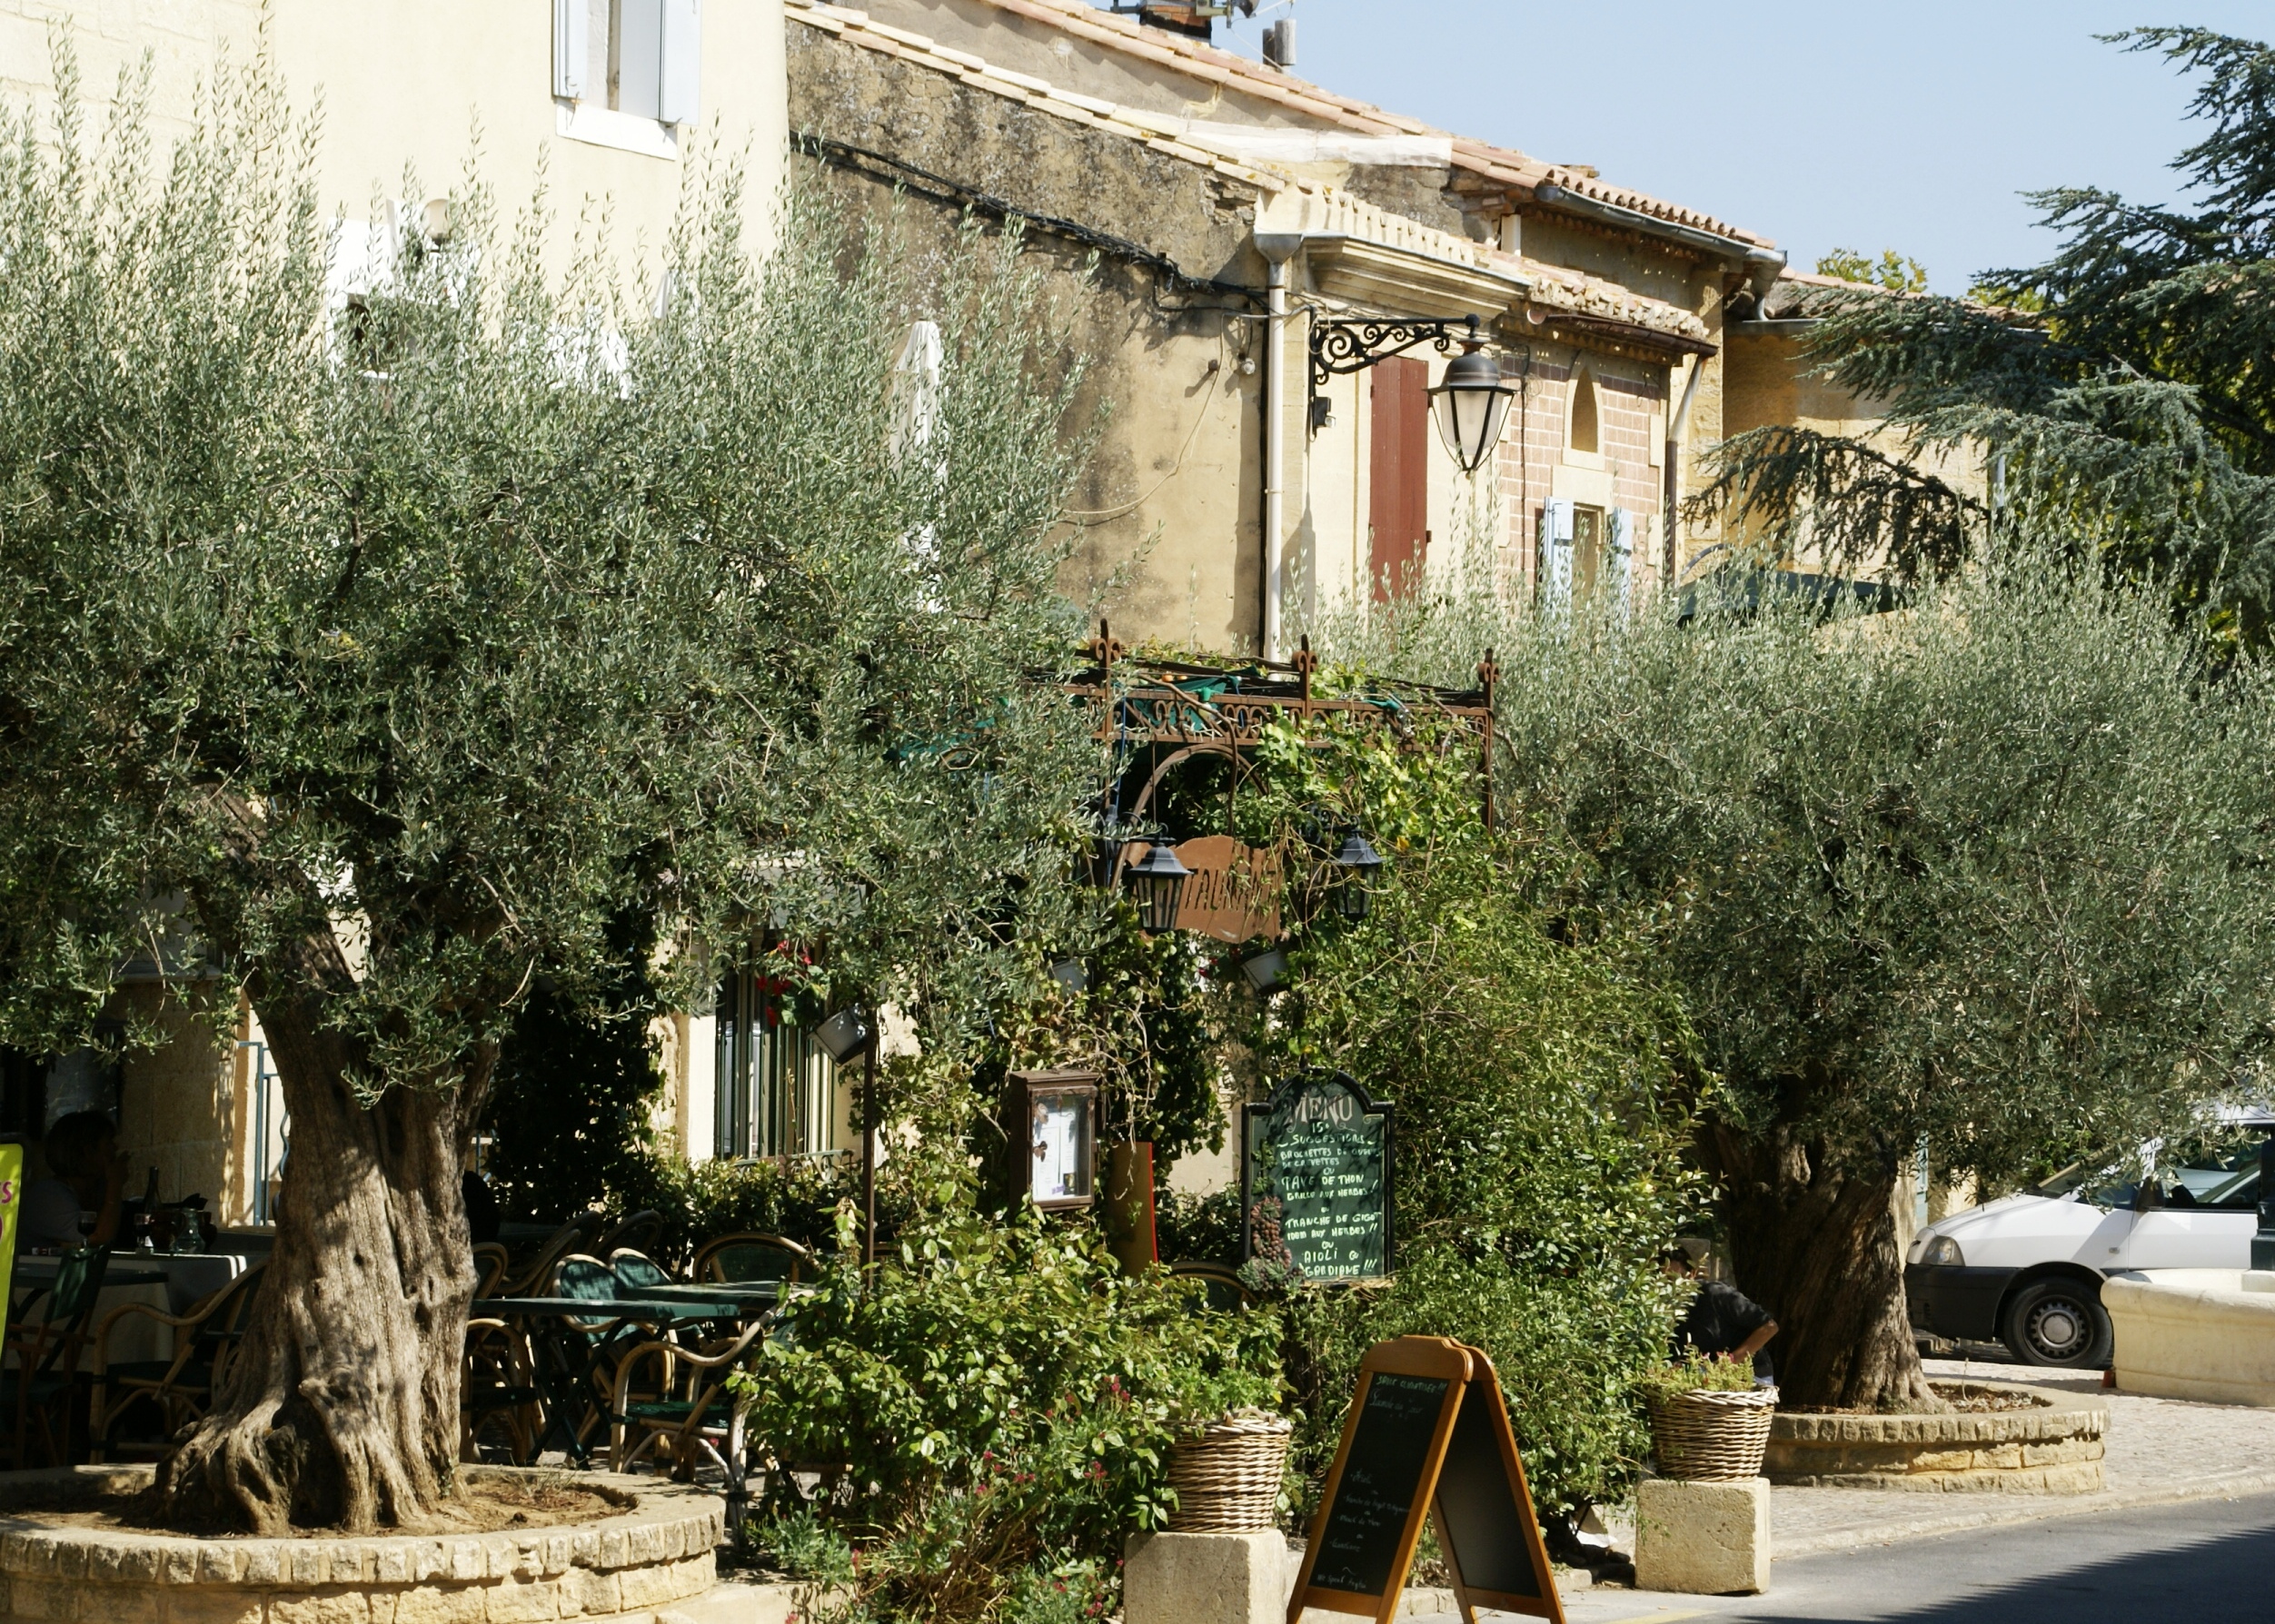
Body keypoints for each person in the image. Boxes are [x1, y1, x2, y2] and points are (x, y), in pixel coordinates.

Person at [1666, 1245, 1779, 1384]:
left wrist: (1725, 1366)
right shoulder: (1661, 1316)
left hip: (1751, 1376)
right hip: (1702, 1379)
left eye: (1674, 1279)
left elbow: (1769, 1327)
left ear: (1692, 1274)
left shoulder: (1717, 1295)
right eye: (1664, 1282)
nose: (1669, 1288)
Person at [19, 1111, 127, 1253]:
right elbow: (97, 1240)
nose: (115, 1147)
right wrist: (115, 1184)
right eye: (108, 1142)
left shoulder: (97, 1188)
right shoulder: (48, 1195)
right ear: (88, 1152)